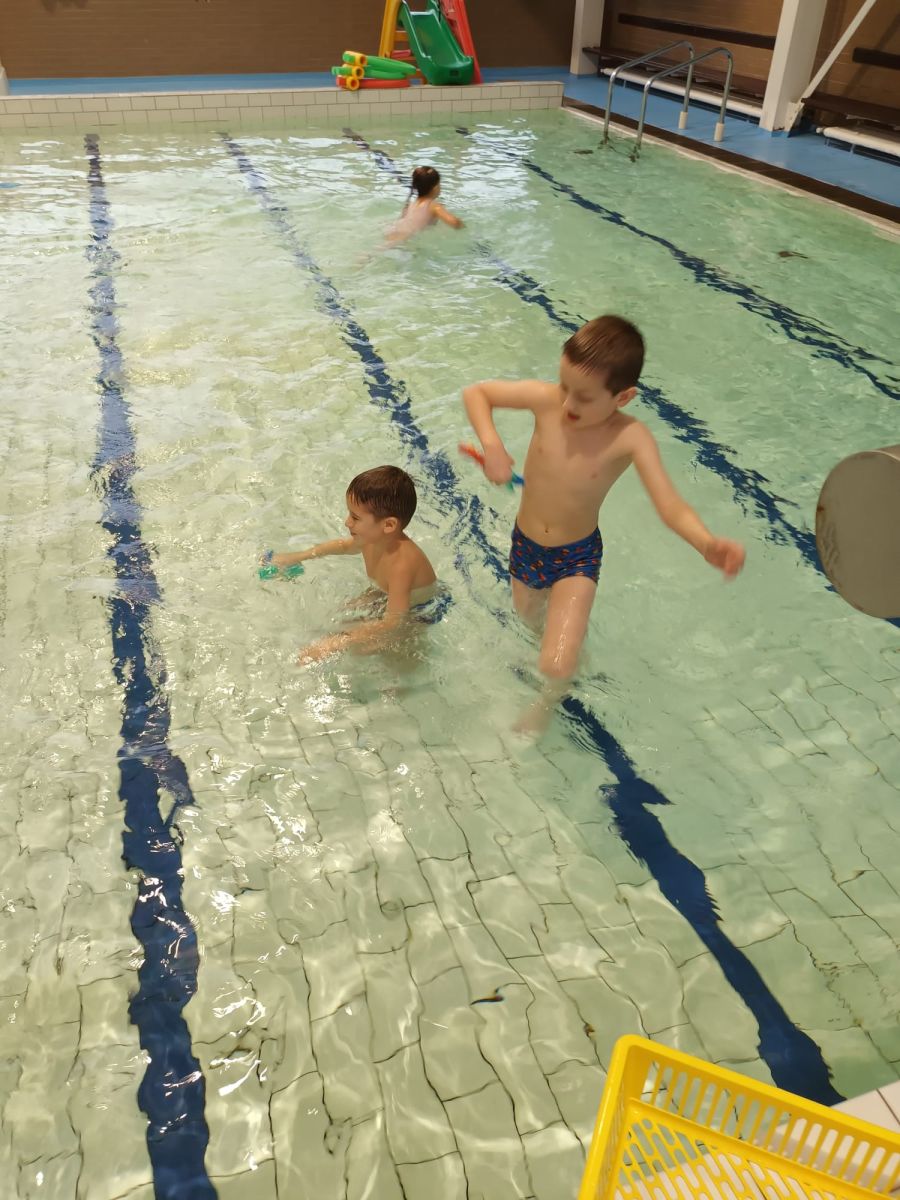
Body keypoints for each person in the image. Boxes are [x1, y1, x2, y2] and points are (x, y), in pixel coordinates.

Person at [462, 315, 746, 732]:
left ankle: (548, 701)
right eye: (564, 387)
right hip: (526, 544)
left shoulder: (630, 438)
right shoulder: (546, 400)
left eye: (583, 397)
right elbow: (477, 393)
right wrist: (493, 447)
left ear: (623, 397)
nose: (567, 404)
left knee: (555, 663)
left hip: (576, 557)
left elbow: (669, 505)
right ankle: (572, 651)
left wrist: (705, 543)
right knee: (529, 621)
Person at [264, 466, 441, 663]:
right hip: (384, 594)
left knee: (375, 652)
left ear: (388, 525)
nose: (347, 522)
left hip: (417, 611)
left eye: (355, 517)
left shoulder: (402, 565)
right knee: (341, 616)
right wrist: (297, 557)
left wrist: (337, 643)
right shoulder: (372, 537)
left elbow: (393, 622)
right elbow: (342, 546)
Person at [386, 166, 463, 246]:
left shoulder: (410, 205)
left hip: (394, 233)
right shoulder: (434, 206)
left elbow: (403, 220)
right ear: (435, 188)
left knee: (386, 246)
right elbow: (455, 223)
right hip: (407, 240)